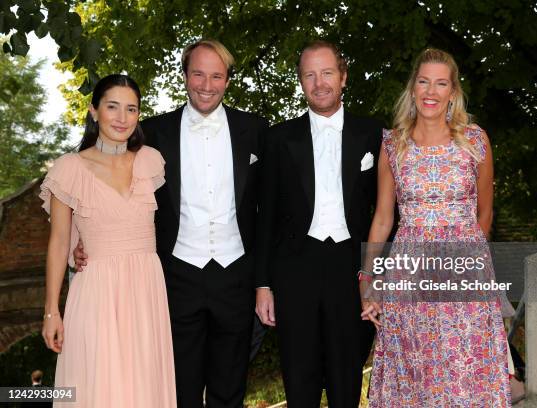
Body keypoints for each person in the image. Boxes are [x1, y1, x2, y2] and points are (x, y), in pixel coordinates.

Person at [75, 39, 268, 408]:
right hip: (174, 278)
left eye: (216, 76)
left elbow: (271, 206)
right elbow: (107, 185)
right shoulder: (152, 132)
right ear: (184, 76)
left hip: (236, 276)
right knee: (178, 390)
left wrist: (264, 280)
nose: (206, 85)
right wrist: (82, 241)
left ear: (227, 80)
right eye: (198, 74)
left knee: (231, 390)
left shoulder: (256, 129)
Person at [360, 48, 512, 407]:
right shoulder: (393, 145)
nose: (431, 91)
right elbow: (383, 218)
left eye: (441, 83)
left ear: (453, 91)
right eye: (424, 81)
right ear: (413, 89)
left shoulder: (475, 141)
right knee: (418, 372)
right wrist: (367, 280)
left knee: (466, 370)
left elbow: (485, 215)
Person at [255, 40, 382, 407]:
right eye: (310, 75)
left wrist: (383, 272)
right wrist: (263, 284)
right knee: (300, 379)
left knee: (347, 380)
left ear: (343, 77)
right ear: (300, 82)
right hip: (295, 270)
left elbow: (387, 212)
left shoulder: (373, 134)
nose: (319, 82)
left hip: (353, 270)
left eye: (327, 73)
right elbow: (265, 217)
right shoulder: (278, 138)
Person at [40, 74, 176, 407]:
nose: (121, 117)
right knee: (99, 388)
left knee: (144, 388)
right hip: (97, 292)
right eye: (112, 106)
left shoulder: (150, 161)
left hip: (146, 291)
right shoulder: (69, 168)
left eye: (131, 109)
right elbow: (59, 243)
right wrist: (50, 312)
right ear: (93, 111)